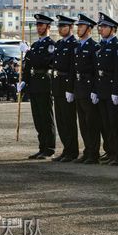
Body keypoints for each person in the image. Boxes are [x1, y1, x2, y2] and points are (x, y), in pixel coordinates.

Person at [18, 14, 56, 159]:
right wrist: (24, 81)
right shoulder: (35, 45)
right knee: (38, 119)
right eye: (38, 25)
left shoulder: (51, 44)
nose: (39, 27)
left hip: (45, 82)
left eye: (42, 25)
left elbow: (44, 62)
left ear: (48, 27)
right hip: (34, 83)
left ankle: (49, 148)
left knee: (46, 118)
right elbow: (28, 65)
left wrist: (28, 52)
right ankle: (42, 146)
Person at [94, 12, 118, 165]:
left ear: (113, 29)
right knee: (105, 124)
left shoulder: (117, 46)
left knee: (115, 124)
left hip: (112, 89)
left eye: (104, 27)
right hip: (102, 89)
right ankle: (110, 151)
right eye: (100, 26)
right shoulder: (102, 45)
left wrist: (116, 91)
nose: (101, 29)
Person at [71, 14, 100, 164]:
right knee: (82, 122)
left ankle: (94, 153)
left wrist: (95, 90)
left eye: (81, 27)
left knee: (92, 123)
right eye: (78, 26)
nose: (78, 29)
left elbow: (96, 71)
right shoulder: (77, 46)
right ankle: (87, 150)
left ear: (89, 29)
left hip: (89, 89)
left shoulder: (94, 47)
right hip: (79, 88)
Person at [50, 15, 78, 163]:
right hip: (58, 84)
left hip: (67, 84)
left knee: (69, 120)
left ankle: (72, 151)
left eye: (64, 26)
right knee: (60, 119)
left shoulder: (74, 44)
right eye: (59, 26)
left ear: (70, 28)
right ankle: (66, 149)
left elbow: (73, 68)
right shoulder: (59, 43)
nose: (61, 29)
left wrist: (70, 88)